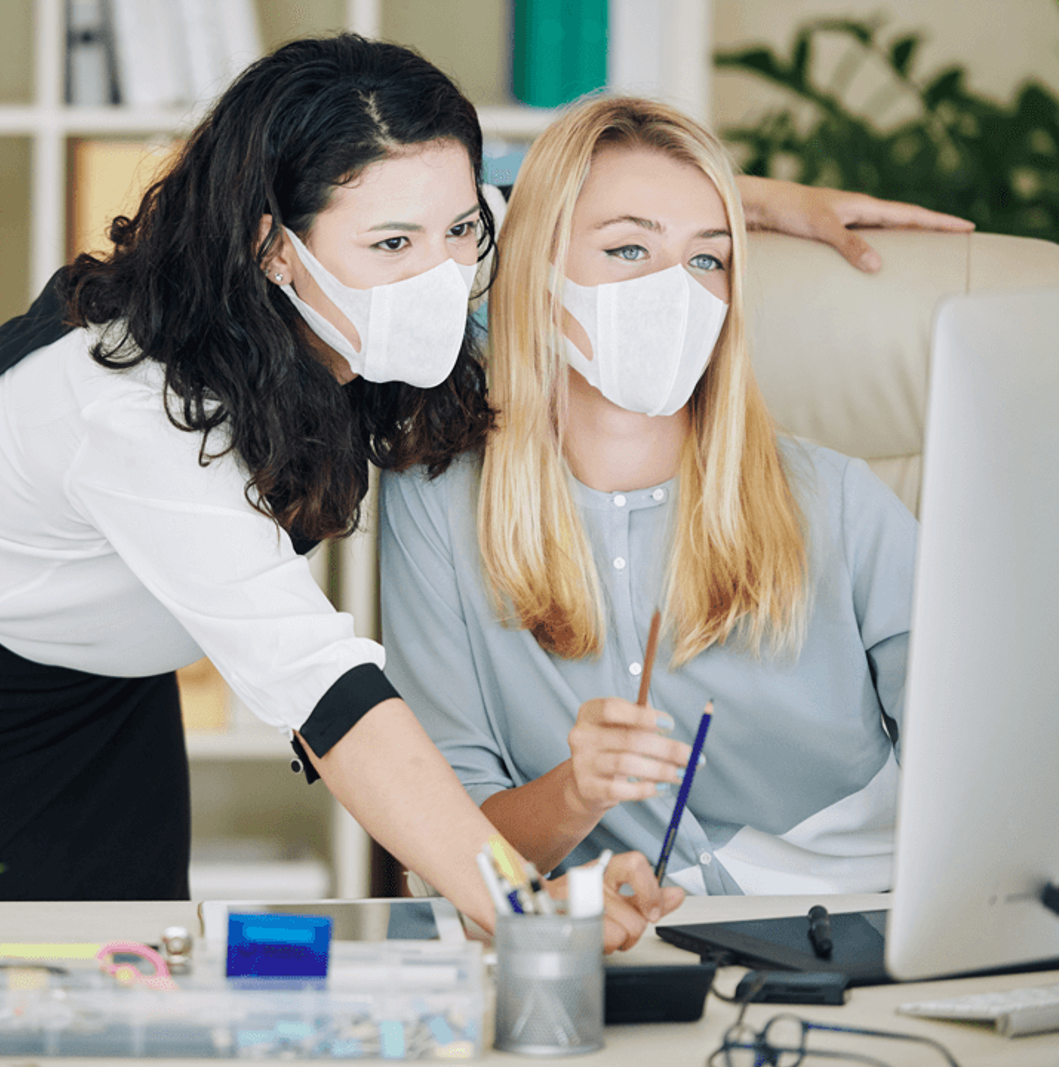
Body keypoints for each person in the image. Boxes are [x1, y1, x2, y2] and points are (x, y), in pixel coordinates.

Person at [0, 34, 958, 941]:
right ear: (271, 247)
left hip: (110, 673)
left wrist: (757, 205)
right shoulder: (136, 410)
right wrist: (522, 908)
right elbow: (328, 692)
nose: (448, 271)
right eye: (393, 245)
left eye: (460, 230)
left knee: (133, 958)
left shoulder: (413, 243)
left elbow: (567, 204)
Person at [379, 94, 923, 897]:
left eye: (708, 260)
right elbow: (452, 843)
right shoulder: (435, 506)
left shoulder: (837, 497)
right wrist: (576, 792)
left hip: (864, 923)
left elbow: (994, 757)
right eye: (629, 250)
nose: (677, 290)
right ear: (537, 266)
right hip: (628, 949)